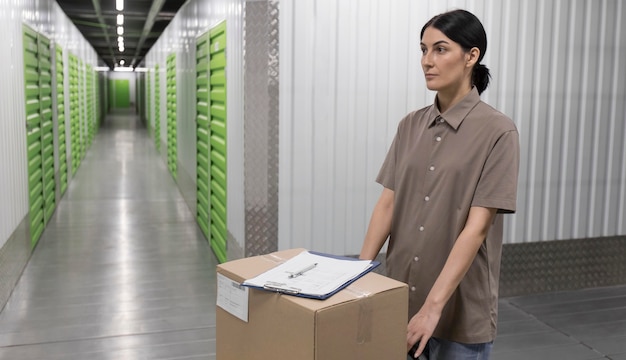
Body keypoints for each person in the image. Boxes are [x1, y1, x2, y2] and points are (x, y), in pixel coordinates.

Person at [359, 9, 520, 360]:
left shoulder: (498, 132)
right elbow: (387, 204)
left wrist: (433, 308)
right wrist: (356, 275)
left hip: (459, 316)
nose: (427, 61)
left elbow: (477, 228)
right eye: (423, 50)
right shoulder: (410, 126)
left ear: (471, 56)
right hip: (400, 301)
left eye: (440, 49)